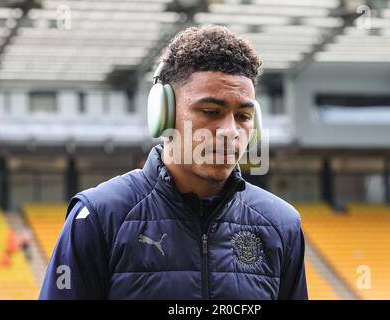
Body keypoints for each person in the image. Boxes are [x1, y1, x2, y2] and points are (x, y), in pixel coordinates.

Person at [39, 25, 308, 300]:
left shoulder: (282, 224)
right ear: (163, 114)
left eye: (243, 116)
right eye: (210, 111)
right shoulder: (98, 217)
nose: (230, 131)